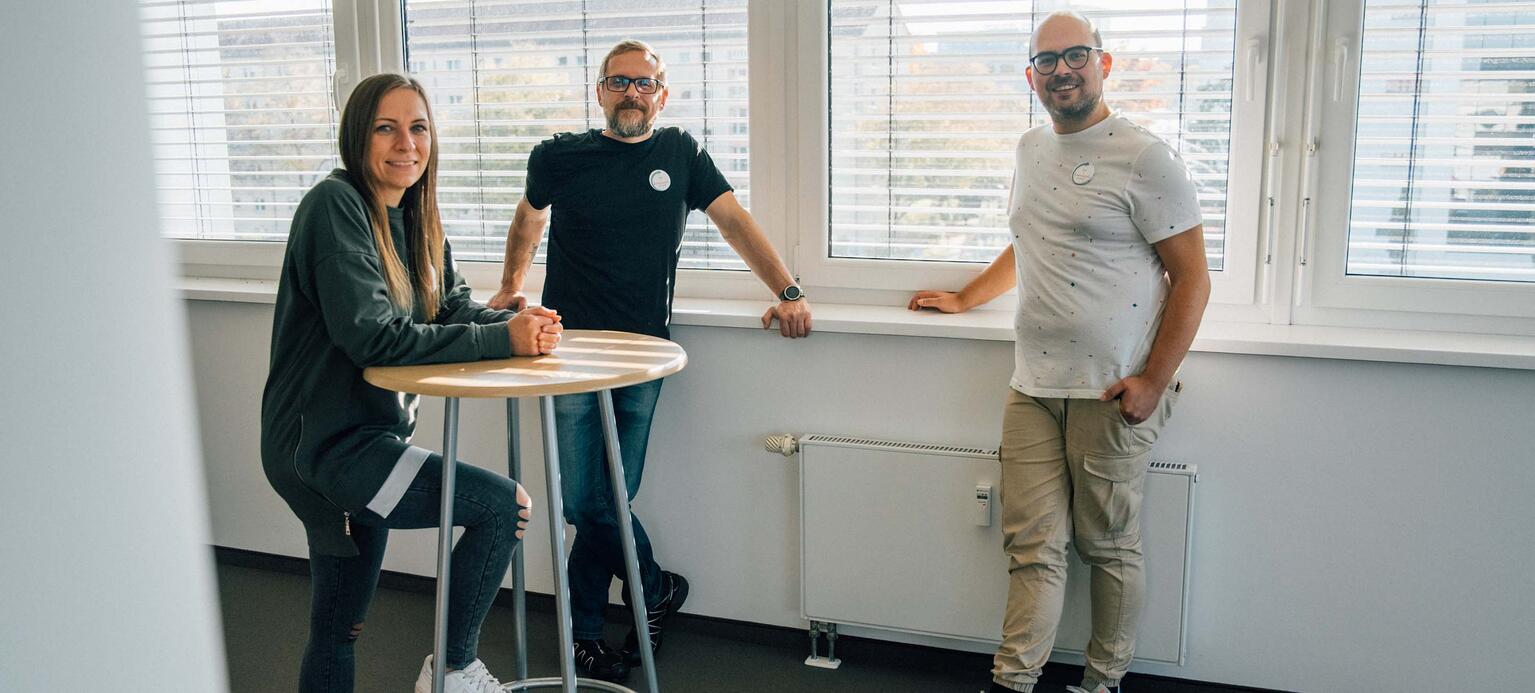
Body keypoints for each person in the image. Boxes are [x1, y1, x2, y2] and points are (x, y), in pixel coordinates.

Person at [486, 39, 812, 681]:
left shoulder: (681, 153)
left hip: (643, 355)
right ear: (599, 91)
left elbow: (734, 220)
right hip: (569, 349)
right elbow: (528, 216)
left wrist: (787, 291)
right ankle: (656, 588)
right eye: (618, 81)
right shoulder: (559, 155)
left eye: (644, 83)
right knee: (588, 506)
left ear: (662, 95)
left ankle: (584, 634)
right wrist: (509, 284)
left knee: (609, 499)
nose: (631, 92)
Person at [909, 12, 1211, 693]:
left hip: (1112, 390)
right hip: (1033, 387)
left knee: (1106, 546)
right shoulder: (1029, 150)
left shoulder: (1143, 155)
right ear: (1029, 76)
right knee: (1031, 548)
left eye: (1075, 55)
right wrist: (964, 298)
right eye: (1045, 61)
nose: (1061, 70)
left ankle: (1101, 683)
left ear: (1104, 64)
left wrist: (1152, 382)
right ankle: (1013, 682)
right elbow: (1030, 241)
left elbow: (1191, 275)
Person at [260, 73, 564, 693]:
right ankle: (451, 670)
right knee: (503, 506)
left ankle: (448, 670)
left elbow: (450, 309)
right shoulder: (335, 205)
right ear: (357, 136)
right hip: (322, 446)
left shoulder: (419, 218)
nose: (407, 143)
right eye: (386, 127)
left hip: (371, 437)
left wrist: (512, 321)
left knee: (338, 627)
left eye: (418, 127)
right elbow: (372, 335)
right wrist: (501, 339)